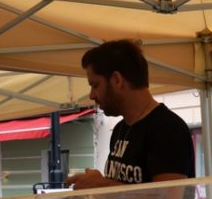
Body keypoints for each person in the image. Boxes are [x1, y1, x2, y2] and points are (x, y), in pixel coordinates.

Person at [66, 39, 194, 190]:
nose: (92, 95)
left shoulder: (167, 129)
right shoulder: (121, 129)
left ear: (117, 80)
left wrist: (102, 185)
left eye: (95, 85)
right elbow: (120, 198)